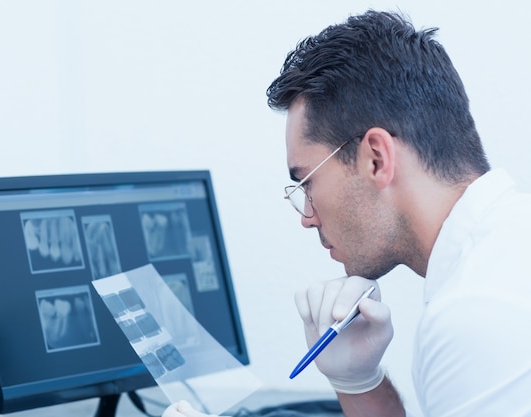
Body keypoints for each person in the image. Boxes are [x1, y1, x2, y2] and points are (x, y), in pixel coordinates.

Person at [164, 10, 531, 417]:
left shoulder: (477, 315)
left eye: (307, 183)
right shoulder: (505, 248)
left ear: (375, 158)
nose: (307, 216)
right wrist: (358, 382)